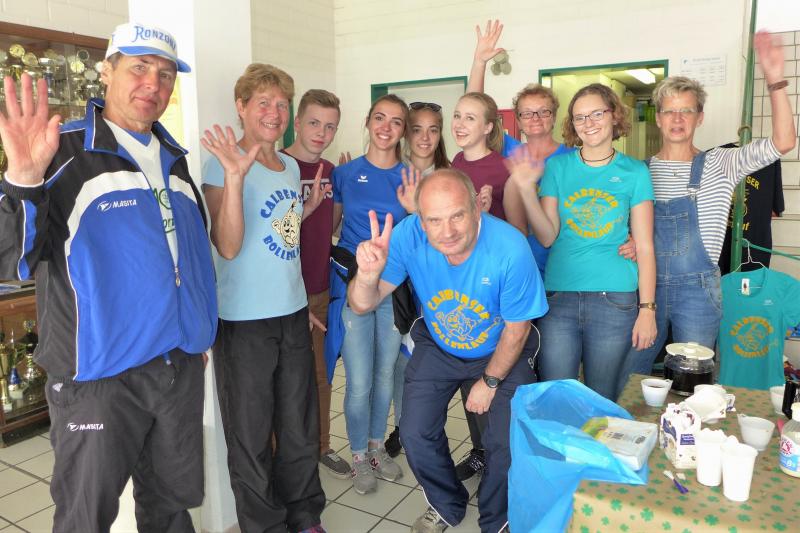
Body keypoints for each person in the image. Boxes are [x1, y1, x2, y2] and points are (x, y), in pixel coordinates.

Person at [0, 22, 217, 532]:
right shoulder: (62, 151)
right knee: (85, 518)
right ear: (107, 71)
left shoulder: (174, 160)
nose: (153, 83)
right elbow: (10, 263)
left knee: (171, 509)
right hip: (98, 378)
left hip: (176, 367)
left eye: (165, 74)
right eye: (139, 67)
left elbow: (188, 257)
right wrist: (23, 179)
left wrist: (196, 332)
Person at [348, 169, 547, 533]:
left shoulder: (510, 248)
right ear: (421, 220)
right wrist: (367, 275)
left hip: (500, 348)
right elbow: (363, 304)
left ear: (476, 208)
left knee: (506, 440)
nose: (447, 231)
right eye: (434, 221)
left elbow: (517, 330)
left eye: (457, 215)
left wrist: (489, 381)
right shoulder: (408, 235)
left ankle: (497, 519)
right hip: (439, 346)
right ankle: (446, 503)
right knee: (414, 431)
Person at [619, 31, 797, 392]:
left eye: (687, 110)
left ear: (700, 117)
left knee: (693, 382)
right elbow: (623, 228)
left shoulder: (721, 163)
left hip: (698, 293)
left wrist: (776, 82)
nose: (678, 118)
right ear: (658, 118)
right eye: (669, 110)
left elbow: (784, 142)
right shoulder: (638, 172)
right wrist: (628, 240)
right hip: (645, 288)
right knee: (631, 378)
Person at [201, 64, 325, 532]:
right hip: (244, 322)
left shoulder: (289, 166)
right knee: (250, 434)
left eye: (282, 104)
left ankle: (304, 515)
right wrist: (235, 178)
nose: (275, 112)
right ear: (241, 107)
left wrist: (298, 302)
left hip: (291, 315)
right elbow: (228, 245)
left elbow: (282, 238)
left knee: (299, 426)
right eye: (264, 103)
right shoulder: (221, 162)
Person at [510, 83, 657, 401]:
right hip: (559, 298)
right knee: (557, 396)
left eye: (597, 114)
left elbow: (645, 246)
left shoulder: (635, 172)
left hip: (615, 300)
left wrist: (647, 309)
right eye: (580, 117)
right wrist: (525, 190)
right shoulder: (558, 167)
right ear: (572, 124)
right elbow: (547, 236)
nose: (589, 123)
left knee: (600, 397)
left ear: (614, 115)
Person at [327, 94, 417, 494]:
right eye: (379, 118)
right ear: (367, 121)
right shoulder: (345, 174)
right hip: (355, 286)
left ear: (403, 130)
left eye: (396, 121)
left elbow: (420, 237)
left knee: (385, 374)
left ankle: (378, 448)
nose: (386, 127)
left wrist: (414, 210)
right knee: (360, 379)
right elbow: (331, 231)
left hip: (392, 288)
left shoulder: (412, 177)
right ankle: (359, 455)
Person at [281, 89, 352, 478]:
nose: (321, 133)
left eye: (330, 126)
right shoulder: (277, 166)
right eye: (313, 123)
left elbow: (333, 228)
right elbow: (272, 236)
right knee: (284, 380)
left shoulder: (331, 172)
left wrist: (345, 195)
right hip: (282, 294)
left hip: (320, 289)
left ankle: (322, 445)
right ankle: (281, 455)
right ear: (297, 123)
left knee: (321, 376)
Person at [384, 99, 451, 458]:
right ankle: (402, 425)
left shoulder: (450, 177)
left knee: (432, 363)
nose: (425, 138)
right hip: (397, 285)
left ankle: (426, 428)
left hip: (437, 284)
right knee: (401, 362)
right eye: (417, 129)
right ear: (406, 133)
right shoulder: (392, 170)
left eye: (433, 129)